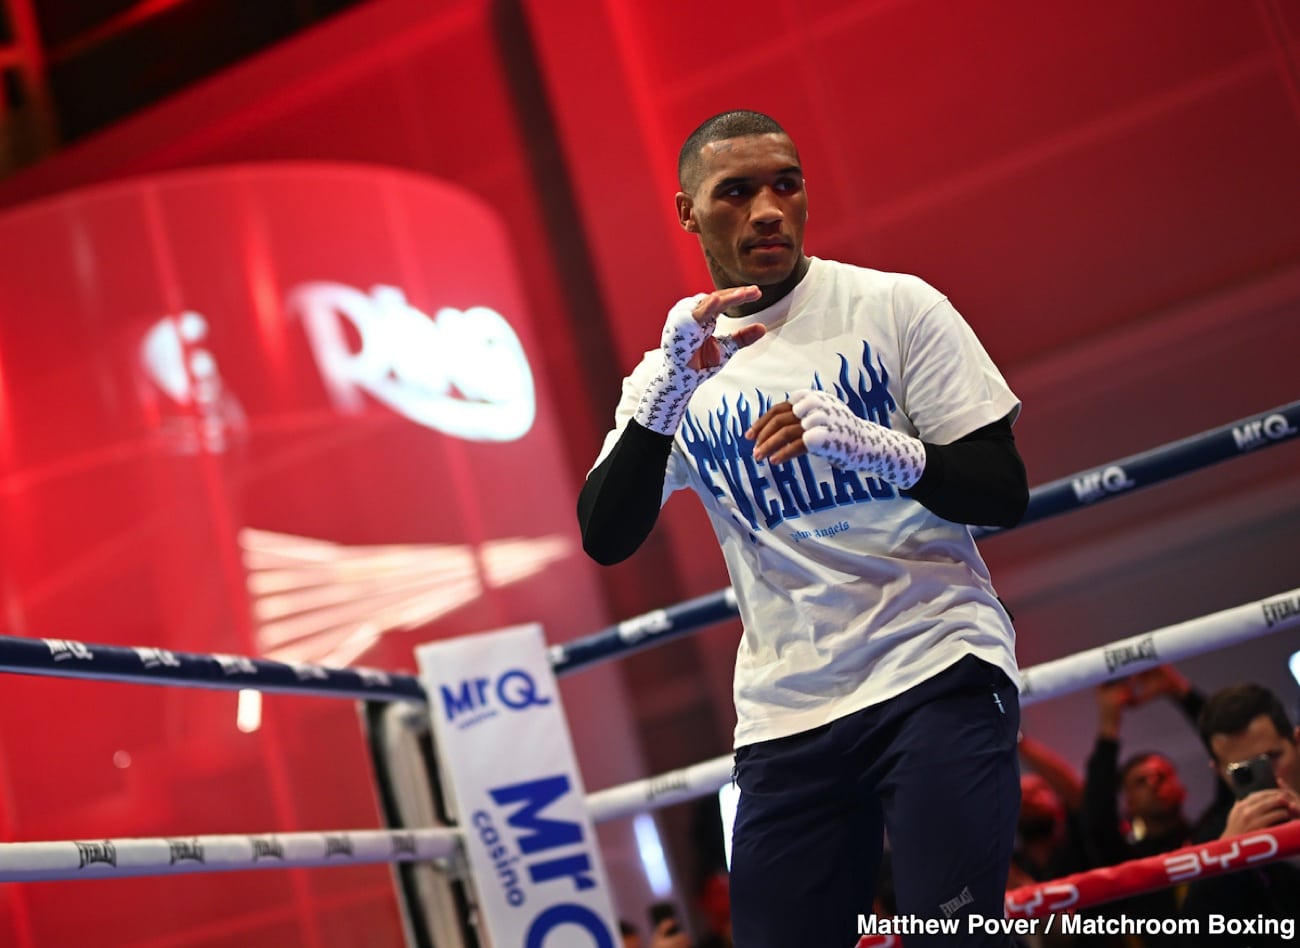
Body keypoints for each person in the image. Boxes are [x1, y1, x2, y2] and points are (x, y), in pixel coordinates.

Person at [578, 109, 1028, 947]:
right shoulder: (676, 366)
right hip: (786, 714)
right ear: (687, 213)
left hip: (933, 666)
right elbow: (606, 533)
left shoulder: (894, 306)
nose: (768, 210)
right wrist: (668, 391)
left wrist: (884, 449)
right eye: (737, 192)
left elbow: (1002, 490)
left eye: (786, 184)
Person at [1180, 683, 1300, 946]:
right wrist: (1227, 862)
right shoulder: (1215, 840)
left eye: (1271, 757)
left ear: (1297, 742)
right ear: (1219, 772)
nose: (1267, 776)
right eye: (1244, 770)